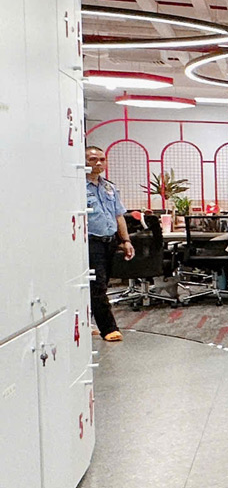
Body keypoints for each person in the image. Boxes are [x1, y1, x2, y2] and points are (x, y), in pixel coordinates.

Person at [84, 145, 134, 342]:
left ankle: (86, 322)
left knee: (101, 284)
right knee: (97, 285)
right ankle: (109, 328)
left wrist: (126, 240)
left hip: (110, 241)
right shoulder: (77, 187)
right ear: (83, 162)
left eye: (102, 159)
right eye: (93, 159)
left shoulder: (109, 188)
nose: (98, 163)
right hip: (90, 241)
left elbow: (119, 216)